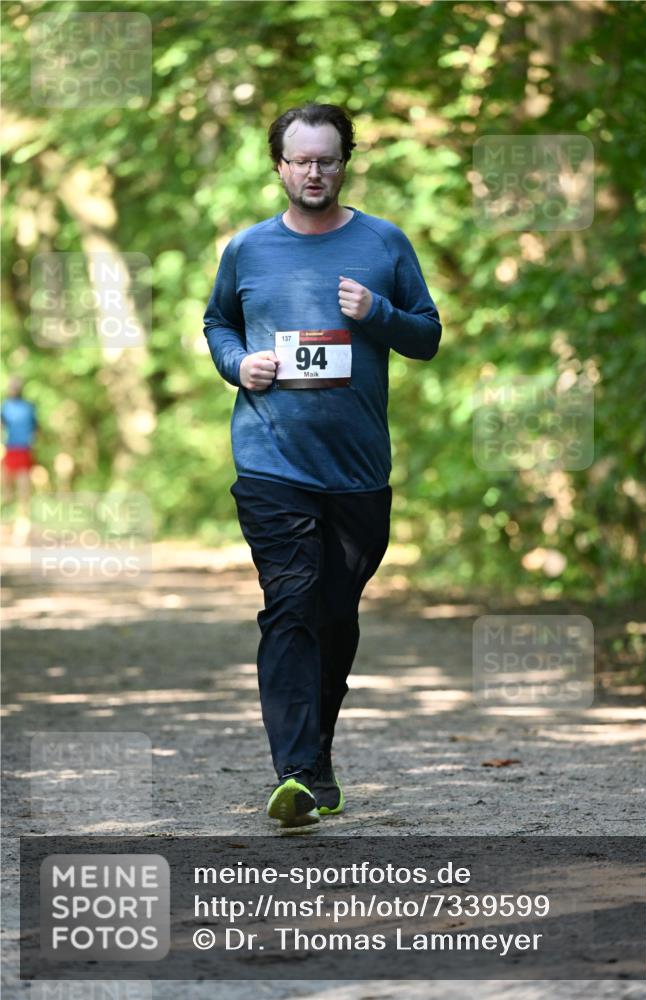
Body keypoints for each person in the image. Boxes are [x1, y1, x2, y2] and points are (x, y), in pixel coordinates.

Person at [203, 102, 442, 827]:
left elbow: (426, 336)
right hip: (271, 461)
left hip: (359, 472)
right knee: (291, 609)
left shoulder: (383, 243)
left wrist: (378, 313)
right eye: (302, 159)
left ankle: (318, 754)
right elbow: (216, 322)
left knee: (335, 617)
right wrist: (238, 364)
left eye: (328, 159)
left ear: (346, 162)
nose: (315, 171)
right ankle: (297, 773)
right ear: (278, 165)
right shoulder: (247, 251)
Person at [1, 375, 38, 542]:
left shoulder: (28, 408)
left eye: (16, 386)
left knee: (24, 491)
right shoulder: (5, 407)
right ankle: (7, 524)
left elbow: (36, 428)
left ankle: (22, 528)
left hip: (24, 451)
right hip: (9, 451)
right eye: (11, 386)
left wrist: (32, 441)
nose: (14, 388)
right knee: (6, 492)